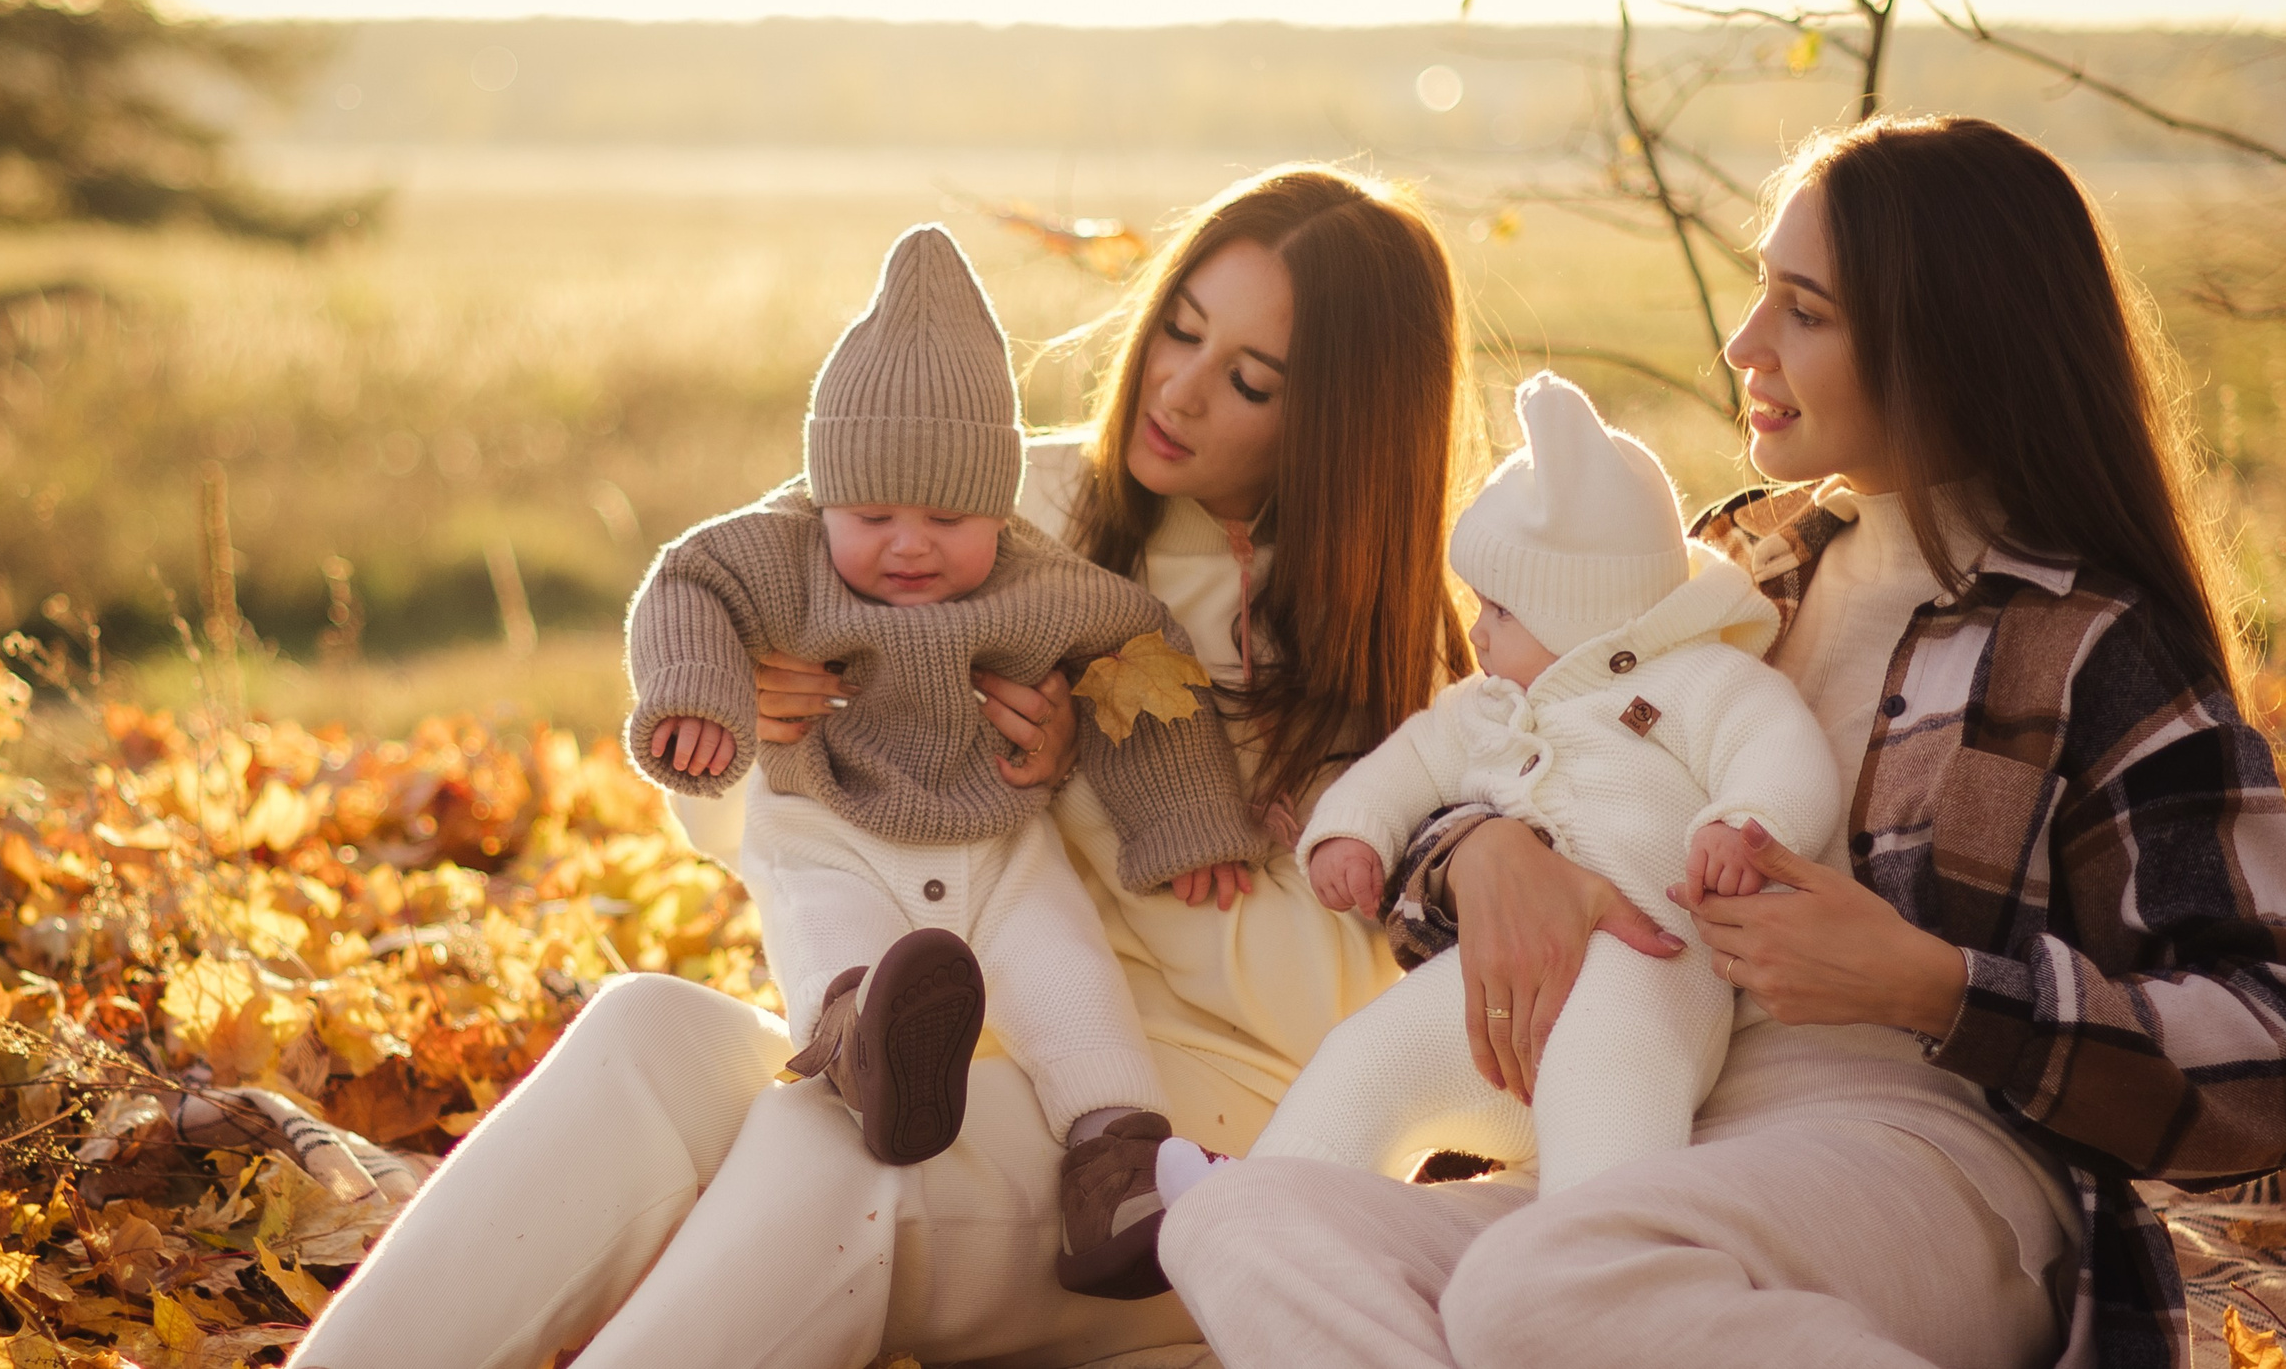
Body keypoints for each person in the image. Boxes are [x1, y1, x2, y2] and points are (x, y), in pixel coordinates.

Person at [292, 164, 1615, 1368]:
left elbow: (1351, 1026)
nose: (1178, 389)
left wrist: (1102, 782)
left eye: (1252, 381)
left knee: (838, 1156)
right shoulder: (1008, 505)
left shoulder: (1419, 685)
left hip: (1196, 1133)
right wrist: (756, 724)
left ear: (1343, 426)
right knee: (652, 1030)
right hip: (930, 1036)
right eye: (1180, 328)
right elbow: (755, 807)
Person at [1159, 116, 2286, 1369]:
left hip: (1928, 1163)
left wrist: (1935, 987)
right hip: (1639, 1131)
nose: (1745, 344)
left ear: (1946, 342)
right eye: (1758, 293)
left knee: (1544, 1284)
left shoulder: (2088, 644)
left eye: (1804, 310)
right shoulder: (1735, 573)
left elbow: (2282, 1043)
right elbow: (1496, 741)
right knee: (1244, 1219)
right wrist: (1482, 853)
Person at [626, 224, 1268, 1295]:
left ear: (999, 506)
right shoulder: (778, 552)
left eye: (950, 516)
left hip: (997, 847)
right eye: (872, 514)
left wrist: (1184, 819)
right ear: (821, 492)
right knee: (834, 932)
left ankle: (1116, 1169)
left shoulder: (1039, 578)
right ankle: (863, 1046)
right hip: (832, 828)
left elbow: (1135, 653)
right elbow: (686, 584)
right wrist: (703, 696)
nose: (910, 543)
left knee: (1069, 982)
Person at [1158, 370, 1837, 1202]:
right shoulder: (1484, 707)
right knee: (1369, 1058)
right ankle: (1262, 1202)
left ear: (1590, 611)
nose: (1477, 630)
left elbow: (1778, 749)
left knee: (1609, 1086)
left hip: (1645, 968)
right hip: (1496, 1000)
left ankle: (1602, 1252)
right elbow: (1404, 765)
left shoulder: (1697, 681)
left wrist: (1748, 825)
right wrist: (1353, 831)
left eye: (1501, 612)